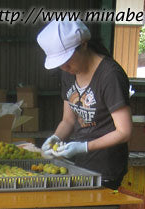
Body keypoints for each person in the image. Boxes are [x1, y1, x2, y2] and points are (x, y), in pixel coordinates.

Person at [37, 19, 132, 189]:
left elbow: (124, 132)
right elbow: (68, 120)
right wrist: (56, 137)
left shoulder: (110, 76)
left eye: (67, 60)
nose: (65, 67)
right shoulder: (68, 73)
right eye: (60, 64)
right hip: (78, 165)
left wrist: (84, 147)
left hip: (105, 169)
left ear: (84, 44)